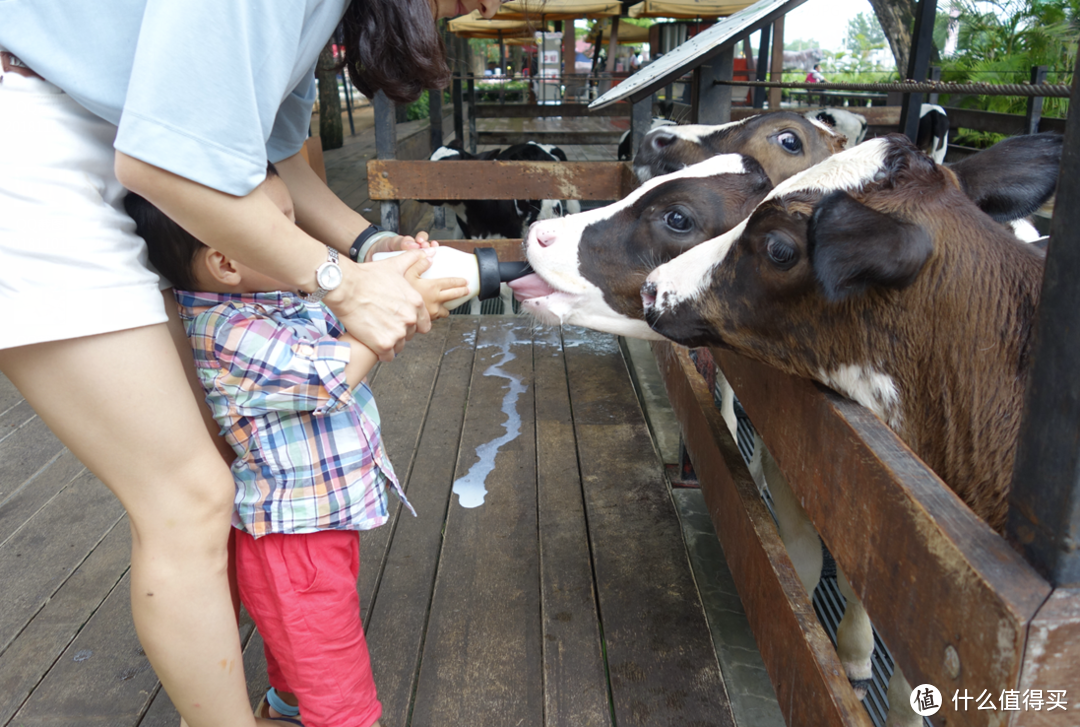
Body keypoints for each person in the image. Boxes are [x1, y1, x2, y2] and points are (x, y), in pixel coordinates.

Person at [0, 0, 499, 725]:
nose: (488, 9)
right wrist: (341, 285)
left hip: (150, 176)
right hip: (39, 139)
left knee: (217, 462)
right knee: (188, 496)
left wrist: (369, 248)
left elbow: (271, 163)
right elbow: (164, 162)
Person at [125, 166, 458, 727]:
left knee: (301, 640)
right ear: (226, 262)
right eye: (281, 226)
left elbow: (341, 313)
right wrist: (390, 321)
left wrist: (398, 275)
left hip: (320, 518)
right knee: (331, 663)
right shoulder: (227, 330)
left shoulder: (274, 296)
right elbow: (330, 372)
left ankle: (285, 709)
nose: (302, 242)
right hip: (292, 534)